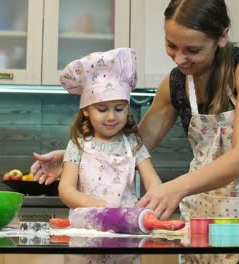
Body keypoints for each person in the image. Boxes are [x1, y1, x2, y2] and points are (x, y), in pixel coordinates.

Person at [31, 0, 239, 260]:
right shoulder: (175, 82)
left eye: (192, 49)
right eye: (171, 45)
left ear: (222, 36)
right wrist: (80, 155)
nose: (179, 58)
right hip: (203, 211)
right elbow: (137, 144)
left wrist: (175, 188)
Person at [57, 48, 162, 263]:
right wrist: (96, 206)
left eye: (120, 108)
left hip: (126, 237)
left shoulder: (133, 144)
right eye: (102, 109)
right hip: (86, 234)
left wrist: (143, 211)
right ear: (86, 110)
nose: (112, 117)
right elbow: (65, 189)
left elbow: (154, 184)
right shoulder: (77, 145)